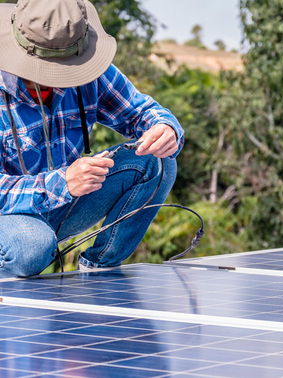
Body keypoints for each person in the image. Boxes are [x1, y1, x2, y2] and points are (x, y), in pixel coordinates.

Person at [0, 0, 184, 278]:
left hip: (64, 203)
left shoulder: (87, 68)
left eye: (66, 65)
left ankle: (99, 272)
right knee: (31, 246)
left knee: (158, 163)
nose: (60, 75)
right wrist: (61, 182)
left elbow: (142, 111)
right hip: (11, 219)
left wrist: (165, 129)